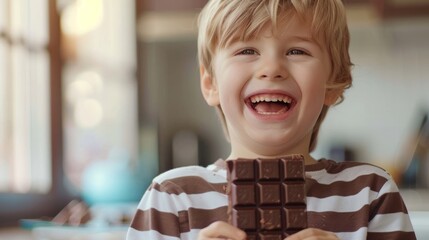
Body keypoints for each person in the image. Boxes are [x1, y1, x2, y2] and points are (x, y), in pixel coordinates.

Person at [127, 0, 416, 239]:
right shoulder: (172, 198)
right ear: (210, 83)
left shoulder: (370, 193)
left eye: (297, 51)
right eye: (247, 51)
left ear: (334, 83)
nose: (272, 68)